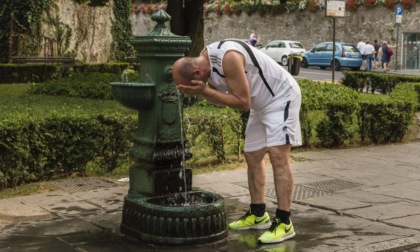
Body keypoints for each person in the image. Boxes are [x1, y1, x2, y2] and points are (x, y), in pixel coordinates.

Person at [172, 40, 302, 244]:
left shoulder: (228, 58)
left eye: (187, 88)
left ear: (197, 74)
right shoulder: (205, 60)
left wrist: (204, 91)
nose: (187, 92)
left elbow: (242, 102)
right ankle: (258, 214)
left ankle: (285, 222)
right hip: (261, 104)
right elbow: (222, 98)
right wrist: (205, 92)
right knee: (252, 155)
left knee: (278, 156)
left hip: (281, 97)